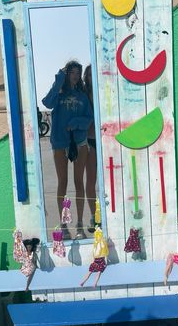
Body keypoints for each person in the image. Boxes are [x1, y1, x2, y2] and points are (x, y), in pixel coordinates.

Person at [42, 60, 93, 240]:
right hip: (60, 143)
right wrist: (59, 78)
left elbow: (89, 118)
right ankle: (64, 225)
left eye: (77, 73)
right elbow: (47, 103)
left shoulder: (82, 96)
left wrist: (76, 123)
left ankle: (79, 224)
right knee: (62, 183)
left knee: (79, 182)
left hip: (79, 142)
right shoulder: (58, 94)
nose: (75, 75)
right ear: (66, 74)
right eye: (71, 72)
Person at [83, 64, 97, 232]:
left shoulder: (104, 91)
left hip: (105, 140)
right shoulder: (84, 95)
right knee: (91, 180)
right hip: (89, 140)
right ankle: (94, 216)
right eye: (89, 75)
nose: (91, 78)